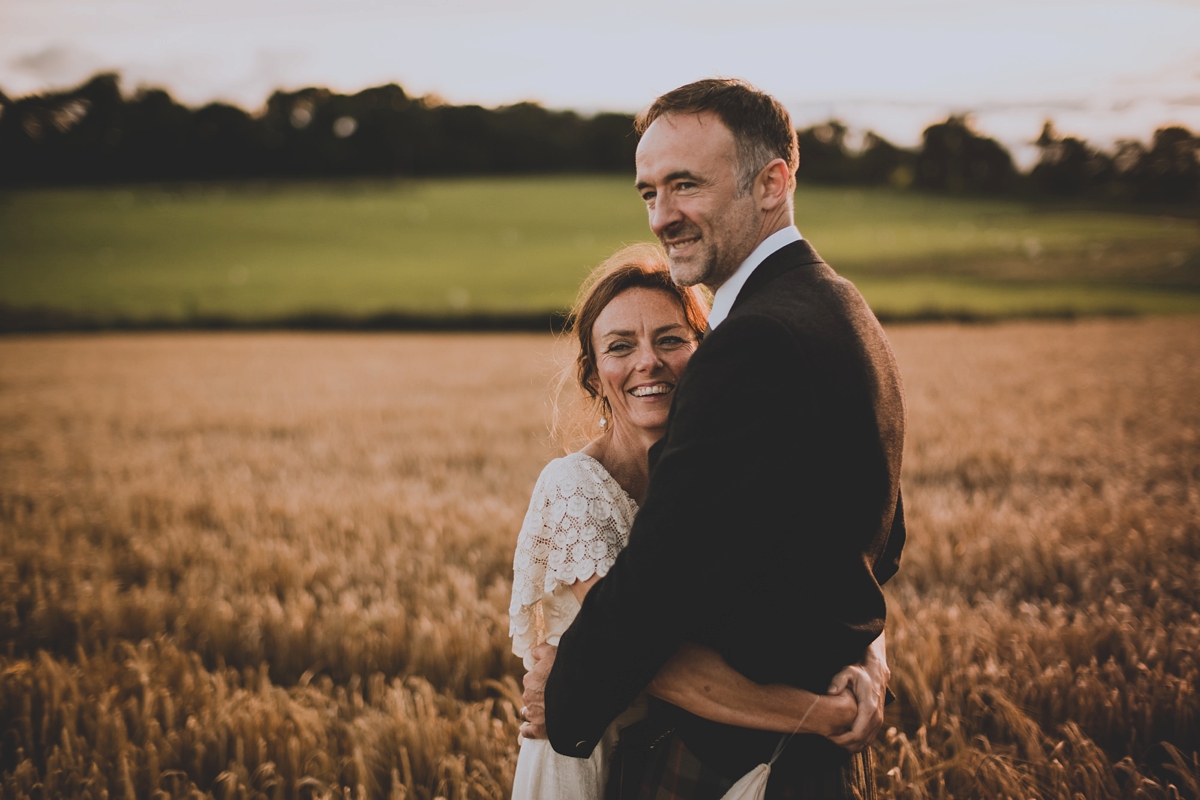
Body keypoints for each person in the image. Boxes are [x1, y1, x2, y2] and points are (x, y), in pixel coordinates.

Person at [524, 79, 908, 799]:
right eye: (648, 193)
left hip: (730, 757)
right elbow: (879, 540)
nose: (663, 216)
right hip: (807, 751)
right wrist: (858, 666)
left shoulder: (752, 341)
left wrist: (567, 684)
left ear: (772, 183)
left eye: (685, 185)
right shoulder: (845, 307)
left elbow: (660, 584)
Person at [509, 244, 861, 800]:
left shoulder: (727, 468)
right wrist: (819, 715)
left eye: (670, 339)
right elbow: (638, 659)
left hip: (696, 750)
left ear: (706, 354)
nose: (647, 362)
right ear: (595, 375)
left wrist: (869, 659)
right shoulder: (573, 487)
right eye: (620, 347)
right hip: (592, 755)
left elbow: (843, 563)